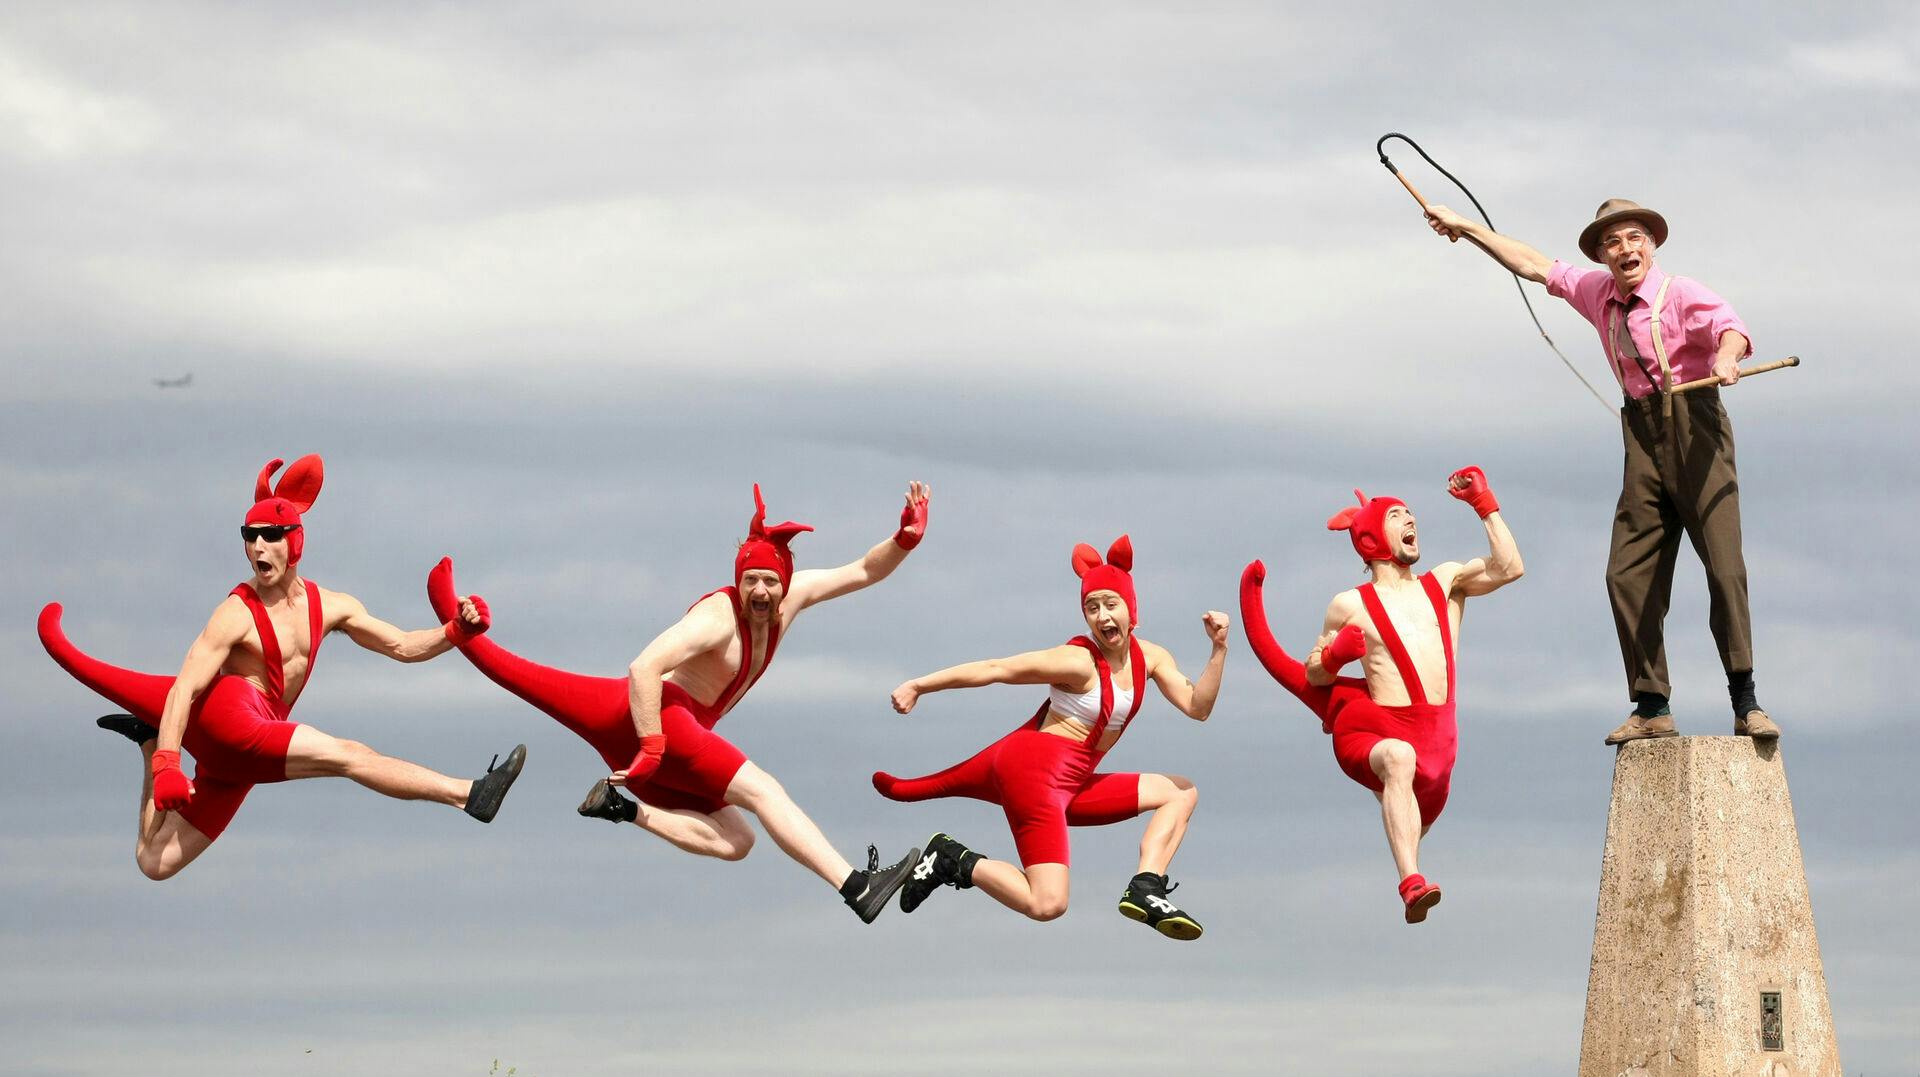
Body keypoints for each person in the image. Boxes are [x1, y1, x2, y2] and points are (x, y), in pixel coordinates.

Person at [429, 482, 930, 923]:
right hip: (662, 719)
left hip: (654, 741)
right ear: (737, 580)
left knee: (736, 842)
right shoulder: (717, 616)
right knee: (765, 793)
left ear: (785, 584)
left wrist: (904, 539)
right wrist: (651, 745)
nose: (759, 590)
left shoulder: (794, 596)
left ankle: (621, 810)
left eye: (769, 582)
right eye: (749, 580)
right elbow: (643, 668)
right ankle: (857, 887)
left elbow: (864, 569)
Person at [38, 454, 525, 880]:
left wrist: (456, 632)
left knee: (153, 862)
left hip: (247, 750)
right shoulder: (235, 613)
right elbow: (185, 688)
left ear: (296, 543)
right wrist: (172, 763)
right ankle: (470, 794)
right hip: (231, 719)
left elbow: (401, 646)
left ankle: (146, 740)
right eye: (250, 537)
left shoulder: (331, 605)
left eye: (270, 536)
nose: (257, 548)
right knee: (349, 756)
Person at [1425, 198, 1776, 744]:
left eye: (1634, 237)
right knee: (1625, 573)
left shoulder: (1678, 294)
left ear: (1651, 245)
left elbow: (1730, 329)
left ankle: (1746, 700)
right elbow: (1532, 263)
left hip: (1696, 425)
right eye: (1613, 242)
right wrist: (1466, 227)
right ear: (1603, 255)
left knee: (1725, 568)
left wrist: (1727, 357)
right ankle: (1652, 704)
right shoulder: (1597, 294)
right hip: (1641, 432)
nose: (1625, 249)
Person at [873, 536, 1226, 940]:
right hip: (1034, 773)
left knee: (1181, 793)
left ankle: (1146, 886)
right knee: (1048, 903)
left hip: (1071, 784)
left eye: (1111, 605)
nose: (1102, 616)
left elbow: (1198, 707)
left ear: (1132, 609)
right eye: (1092, 608)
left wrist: (1218, 649)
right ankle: (951, 858)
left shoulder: (1152, 657)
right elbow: (996, 668)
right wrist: (919, 685)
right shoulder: (1076, 662)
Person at [1240, 469, 1521, 922]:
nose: (1412, 519)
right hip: (1377, 731)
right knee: (1397, 759)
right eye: (1397, 515)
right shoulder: (1349, 604)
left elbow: (1510, 567)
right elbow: (1314, 674)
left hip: (1441, 746)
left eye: (1411, 513)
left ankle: (1377, 880)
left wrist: (1483, 504)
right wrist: (1333, 657)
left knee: (1414, 817)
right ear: (1371, 538)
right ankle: (1411, 882)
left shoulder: (1445, 582)